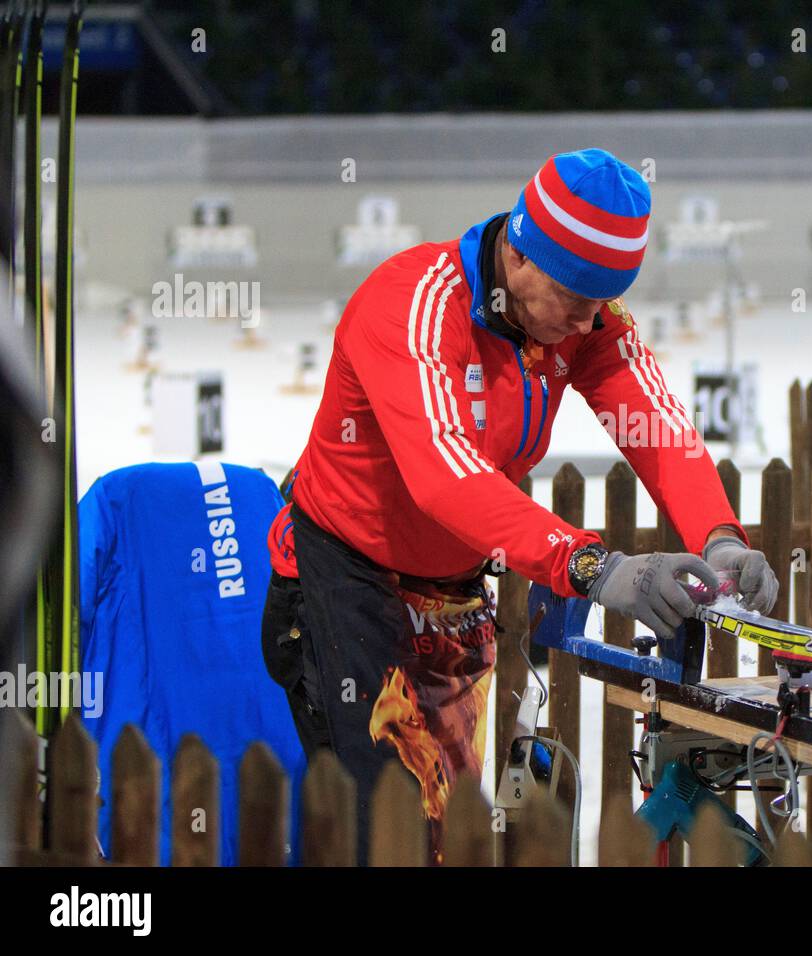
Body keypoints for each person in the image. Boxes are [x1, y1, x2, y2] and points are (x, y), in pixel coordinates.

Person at [261, 147, 777, 860]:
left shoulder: (579, 313)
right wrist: (594, 566)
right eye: (577, 303)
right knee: (392, 836)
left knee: (449, 832)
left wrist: (719, 534)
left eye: (603, 305)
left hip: (450, 591)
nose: (590, 323)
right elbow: (447, 479)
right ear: (523, 256)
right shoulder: (413, 303)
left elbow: (655, 423)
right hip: (345, 581)